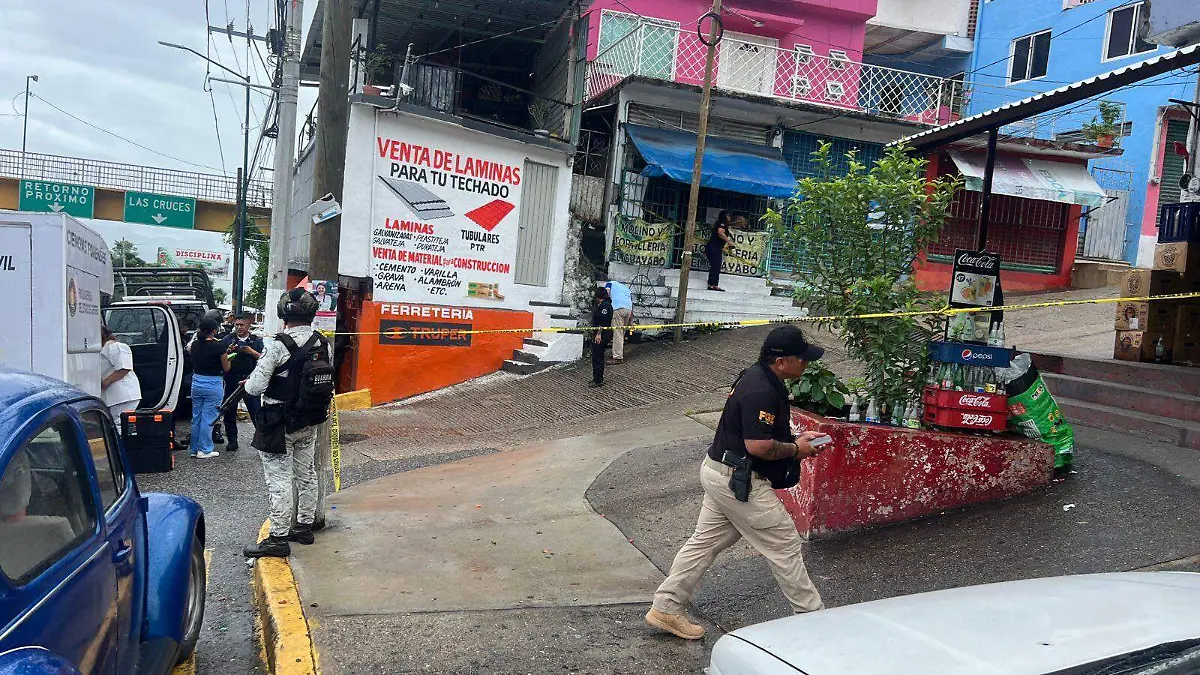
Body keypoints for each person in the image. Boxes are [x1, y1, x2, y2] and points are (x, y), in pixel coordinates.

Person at [645, 324, 829, 640]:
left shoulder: (760, 377)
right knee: (784, 542)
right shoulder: (761, 388)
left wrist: (796, 441)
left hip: (721, 472)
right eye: (802, 358)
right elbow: (757, 446)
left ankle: (666, 607)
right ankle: (815, 623)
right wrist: (797, 449)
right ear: (782, 361)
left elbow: (758, 435)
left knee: (706, 542)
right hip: (738, 479)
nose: (806, 363)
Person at [242, 289, 333, 558]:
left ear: (284, 313)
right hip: (309, 419)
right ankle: (304, 526)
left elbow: (256, 387)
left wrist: (248, 382)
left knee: (279, 480)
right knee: (306, 475)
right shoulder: (323, 343)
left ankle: (278, 538)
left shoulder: (277, 344)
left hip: (278, 422)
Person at [220, 312, 264, 452]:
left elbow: (264, 359)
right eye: (236, 325)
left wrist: (251, 351)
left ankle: (261, 441)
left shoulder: (256, 341)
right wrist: (229, 352)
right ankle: (232, 440)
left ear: (248, 325)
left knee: (255, 410)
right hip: (232, 378)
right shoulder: (228, 339)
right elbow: (221, 357)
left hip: (250, 378)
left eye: (241, 325)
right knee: (229, 409)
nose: (239, 327)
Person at [188, 317, 229, 459]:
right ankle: (204, 449)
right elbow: (226, 367)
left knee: (196, 417)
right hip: (213, 384)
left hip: (196, 382)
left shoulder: (195, 345)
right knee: (209, 417)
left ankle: (194, 449)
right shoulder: (219, 346)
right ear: (214, 330)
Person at [100, 325, 142, 421]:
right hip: (114, 396)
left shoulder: (116, 347)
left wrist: (106, 382)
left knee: (119, 423)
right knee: (116, 423)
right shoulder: (101, 349)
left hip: (123, 395)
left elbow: (124, 368)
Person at [604, 280, 633, 365]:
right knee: (621, 334)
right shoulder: (626, 289)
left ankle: (617, 357)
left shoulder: (609, 283)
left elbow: (607, 294)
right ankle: (617, 353)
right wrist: (631, 320)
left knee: (617, 334)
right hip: (628, 310)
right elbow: (632, 303)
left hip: (618, 309)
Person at [590, 286, 613, 388]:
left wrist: (599, 334)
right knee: (597, 355)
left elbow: (603, 321)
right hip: (602, 332)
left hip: (602, 334)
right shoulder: (605, 305)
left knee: (597, 356)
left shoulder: (604, 306)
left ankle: (598, 380)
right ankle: (596, 377)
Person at [706, 211, 733, 291]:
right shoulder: (722, 223)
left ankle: (714, 284)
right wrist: (728, 241)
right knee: (715, 265)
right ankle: (712, 285)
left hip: (715, 247)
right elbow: (720, 232)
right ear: (725, 216)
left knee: (716, 266)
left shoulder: (721, 223)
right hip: (713, 247)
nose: (730, 217)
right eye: (729, 215)